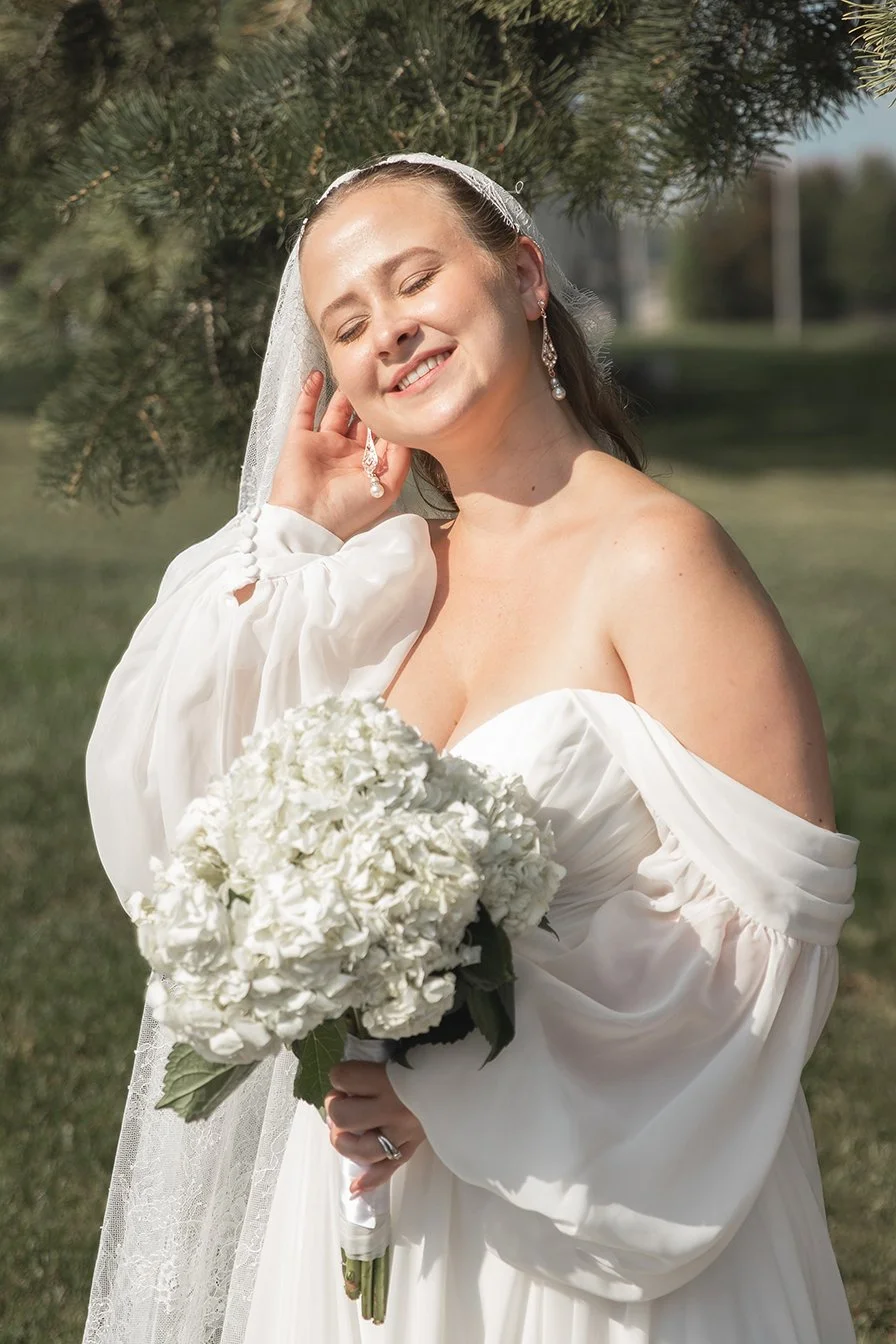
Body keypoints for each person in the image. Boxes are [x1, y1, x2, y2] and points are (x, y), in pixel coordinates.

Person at [81, 153, 860, 1344]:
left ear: (525, 277)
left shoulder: (659, 557)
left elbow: (769, 940)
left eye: (412, 282)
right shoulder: (383, 583)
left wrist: (458, 1091)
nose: (387, 332)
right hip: (362, 1198)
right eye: (347, 324)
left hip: (590, 1225)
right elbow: (163, 793)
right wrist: (289, 526)